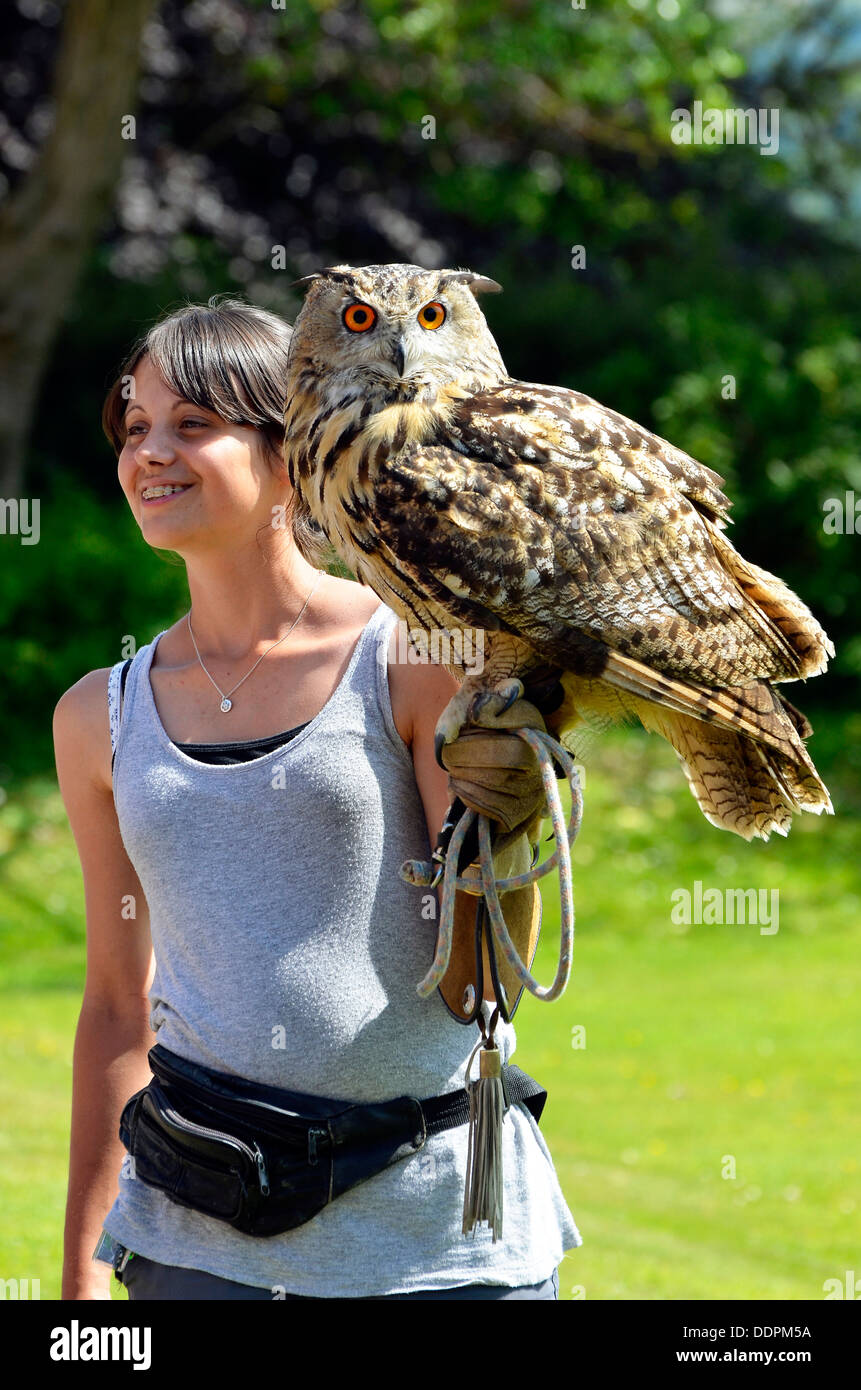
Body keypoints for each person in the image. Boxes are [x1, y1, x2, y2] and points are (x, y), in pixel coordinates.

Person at [53, 295, 582, 1301]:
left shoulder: (414, 658)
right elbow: (119, 1007)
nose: (149, 453)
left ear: (290, 448)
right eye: (134, 428)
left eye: (192, 425)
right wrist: (80, 1275)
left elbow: (480, 986)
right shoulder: (98, 717)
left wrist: (501, 836)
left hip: (435, 1237)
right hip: (196, 1243)